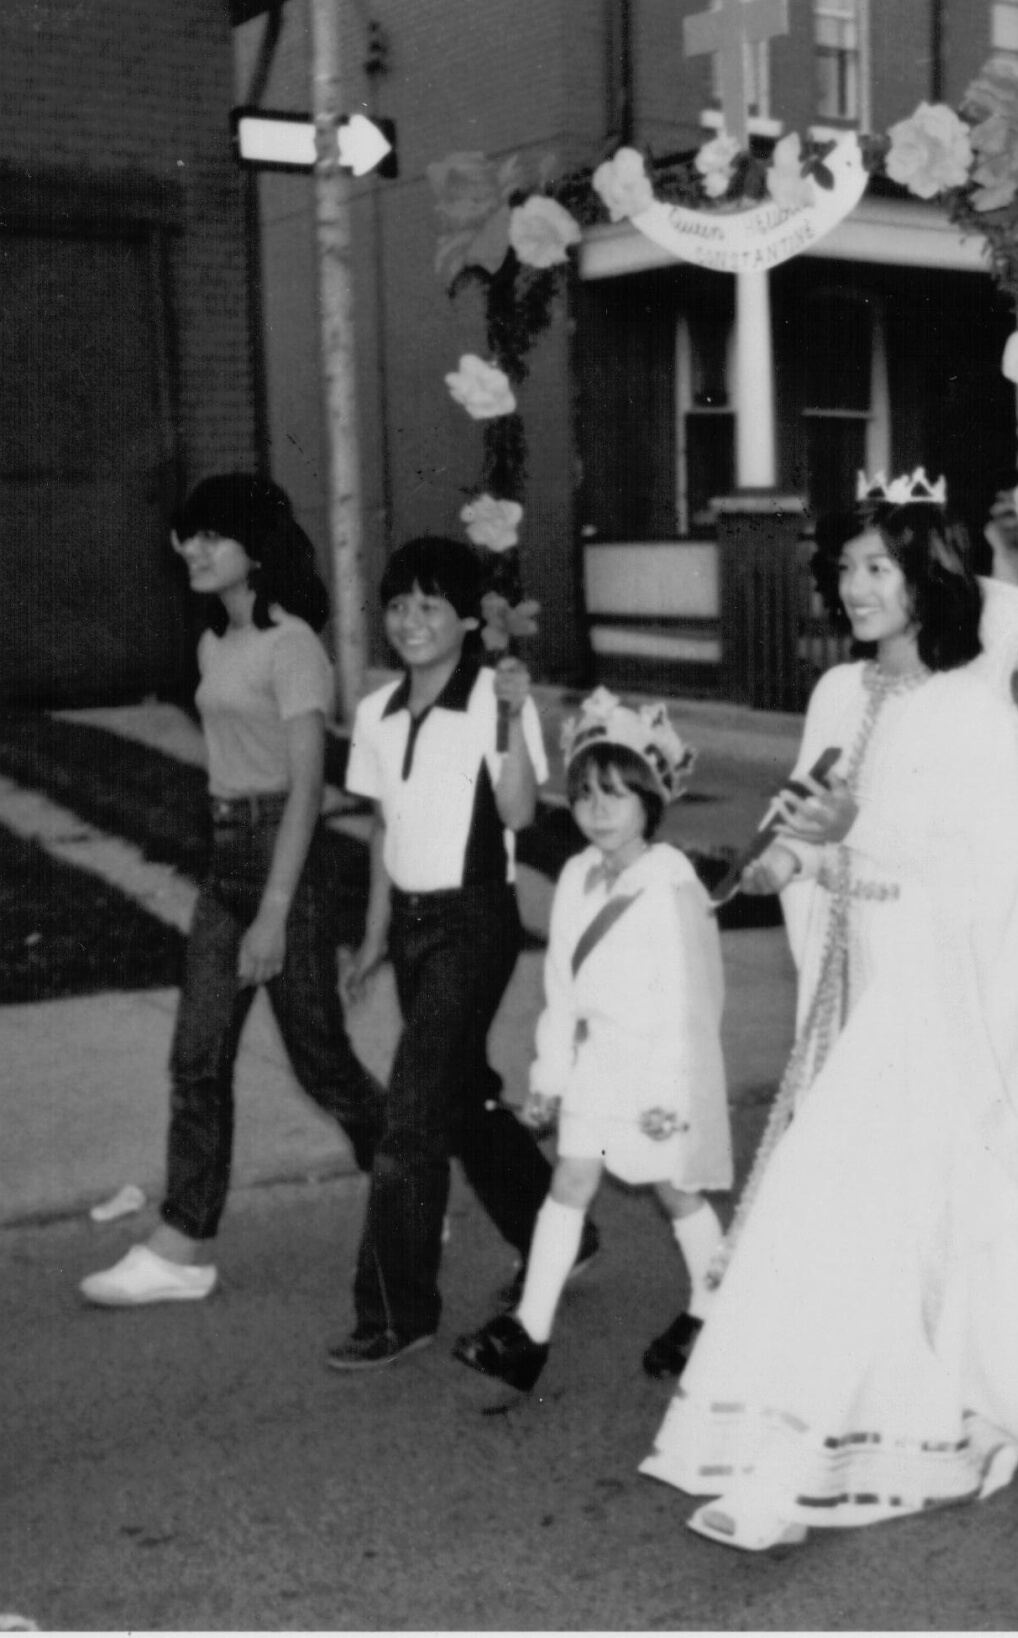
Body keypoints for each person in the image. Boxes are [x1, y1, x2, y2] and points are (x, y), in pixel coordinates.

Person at [640, 484, 1018, 1552]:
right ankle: (857, 1409)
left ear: (927, 576)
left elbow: (977, 877)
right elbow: (807, 816)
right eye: (844, 568)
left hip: (925, 986)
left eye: (878, 566)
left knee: (834, 1193)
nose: (855, 586)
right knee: (853, 1204)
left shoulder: (970, 712)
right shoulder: (838, 689)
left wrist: (856, 832)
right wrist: (766, 864)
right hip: (851, 974)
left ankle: (801, 1459)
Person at [82, 476, 386, 1307]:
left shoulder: (293, 649)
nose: (191, 550)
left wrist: (277, 914)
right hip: (227, 861)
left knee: (323, 1067)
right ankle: (182, 1246)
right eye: (187, 536)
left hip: (284, 860)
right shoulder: (216, 645)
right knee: (197, 1060)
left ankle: (409, 1185)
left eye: (210, 536)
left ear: (256, 548)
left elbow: (305, 793)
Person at [330, 536, 578, 1370]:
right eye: (398, 605)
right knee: (461, 1090)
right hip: (409, 924)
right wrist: (371, 937)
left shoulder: (493, 701)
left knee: (411, 1114)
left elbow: (515, 817)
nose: (410, 621)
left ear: (471, 620)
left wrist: (512, 716)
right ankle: (555, 1230)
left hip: (475, 923)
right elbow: (380, 833)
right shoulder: (375, 712)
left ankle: (398, 1310)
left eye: (430, 606)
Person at [452, 690, 727, 1395]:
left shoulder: (673, 886)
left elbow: (695, 1003)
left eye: (616, 795)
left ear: (651, 802)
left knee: (676, 1193)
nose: (599, 810)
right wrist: (549, 1075)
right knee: (569, 1183)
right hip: (597, 1069)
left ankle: (716, 1307)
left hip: (655, 1076)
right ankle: (529, 1334)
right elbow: (562, 988)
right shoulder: (574, 875)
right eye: (584, 795)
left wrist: (675, 1095)